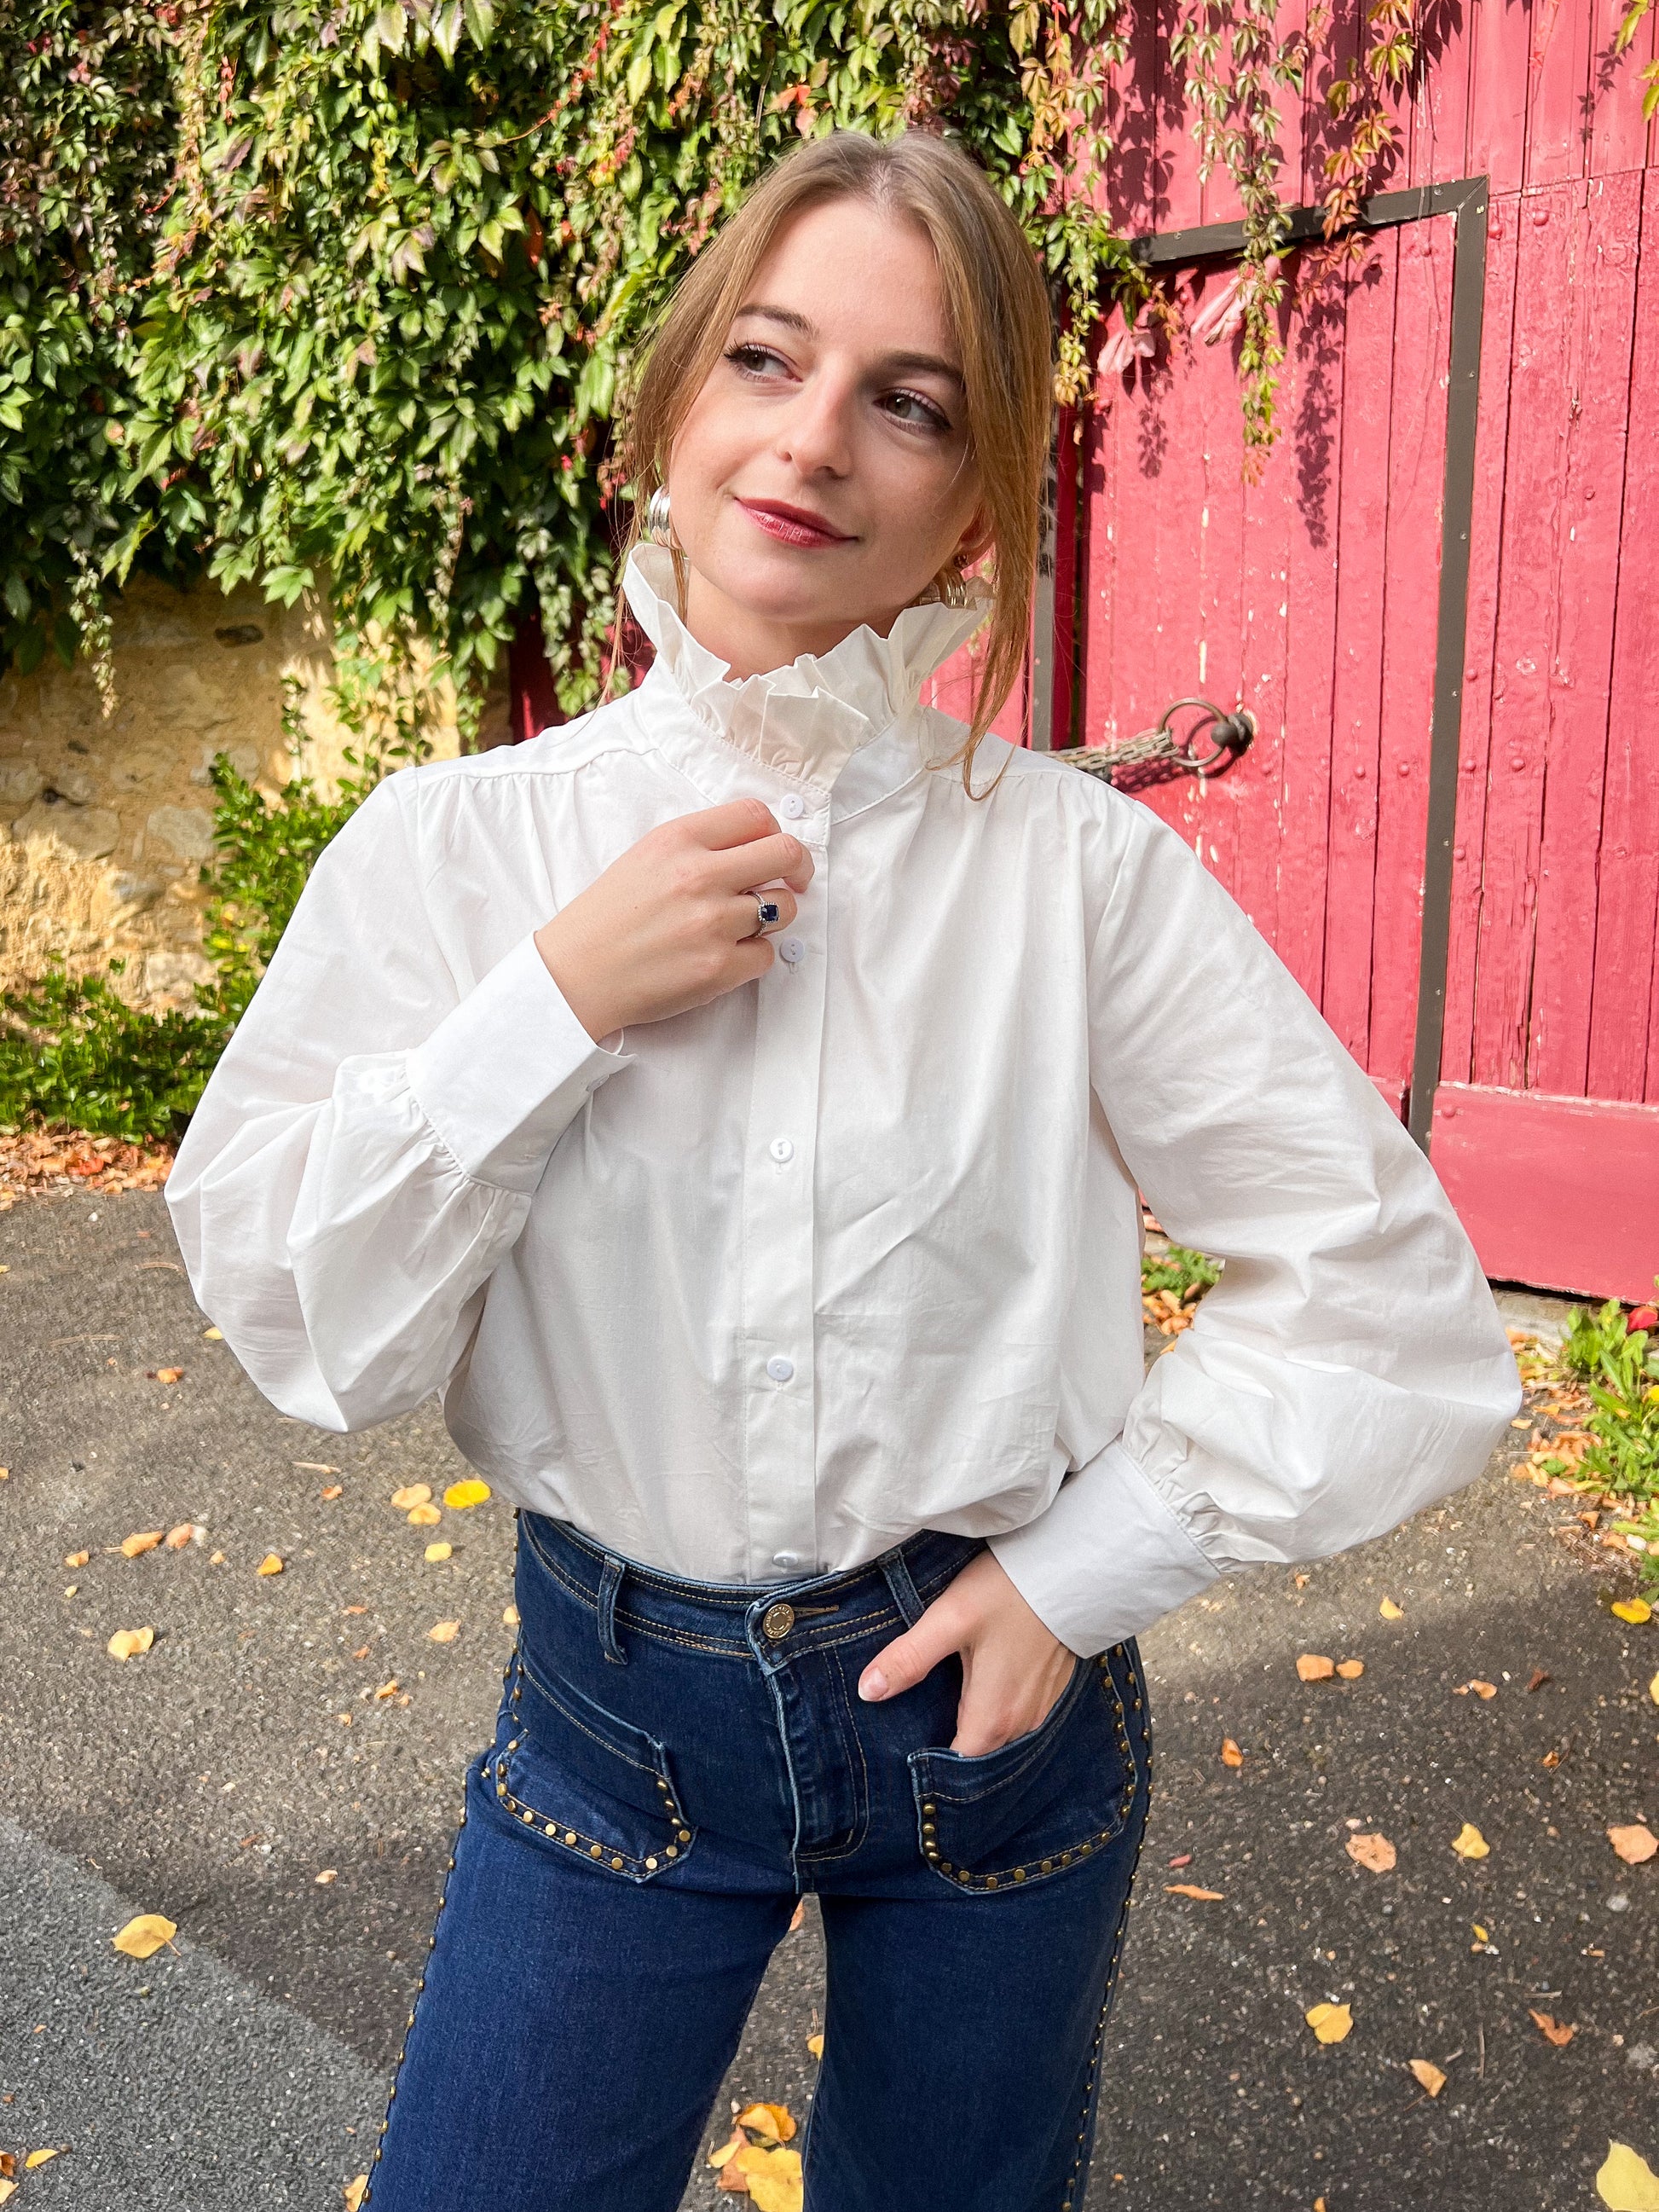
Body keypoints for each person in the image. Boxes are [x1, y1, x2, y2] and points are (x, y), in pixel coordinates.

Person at [165, 125, 1521, 2212]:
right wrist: (550, 1003)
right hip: (611, 1721)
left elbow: (1387, 1303)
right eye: (766, 359)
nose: (812, 441)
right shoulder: (458, 854)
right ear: (673, 399)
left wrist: (1085, 1569)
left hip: (990, 1733)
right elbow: (302, 1319)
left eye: (911, 402)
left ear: (974, 506)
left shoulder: (1074, 876)